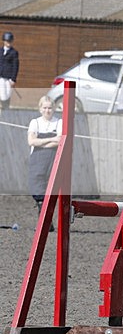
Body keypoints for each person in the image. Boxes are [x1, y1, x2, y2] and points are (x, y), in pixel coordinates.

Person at [28, 96, 62, 232]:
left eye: (50, 108)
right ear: (40, 109)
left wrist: (41, 142)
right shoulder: (35, 122)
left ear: (53, 109)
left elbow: (60, 141)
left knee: (51, 190)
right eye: (45, 108)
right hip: (37, 160)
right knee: (37, 189)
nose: (47, 110)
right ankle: (44, 220)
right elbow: (31, 141)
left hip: (53, 159)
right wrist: (51, 140)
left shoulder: (59, 122)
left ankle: (45, 221)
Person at [0, 31, 19, 110]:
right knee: (3, 95)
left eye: (10, 41)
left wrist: (13, 79)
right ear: (4, 41)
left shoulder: (14, 52)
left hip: (8, 78)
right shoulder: (0, 51)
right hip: (1, 77)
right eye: (7, 41)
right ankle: (2, 109)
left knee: (7, 95)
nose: (8, 43)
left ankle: (5, 109)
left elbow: (15, 66)